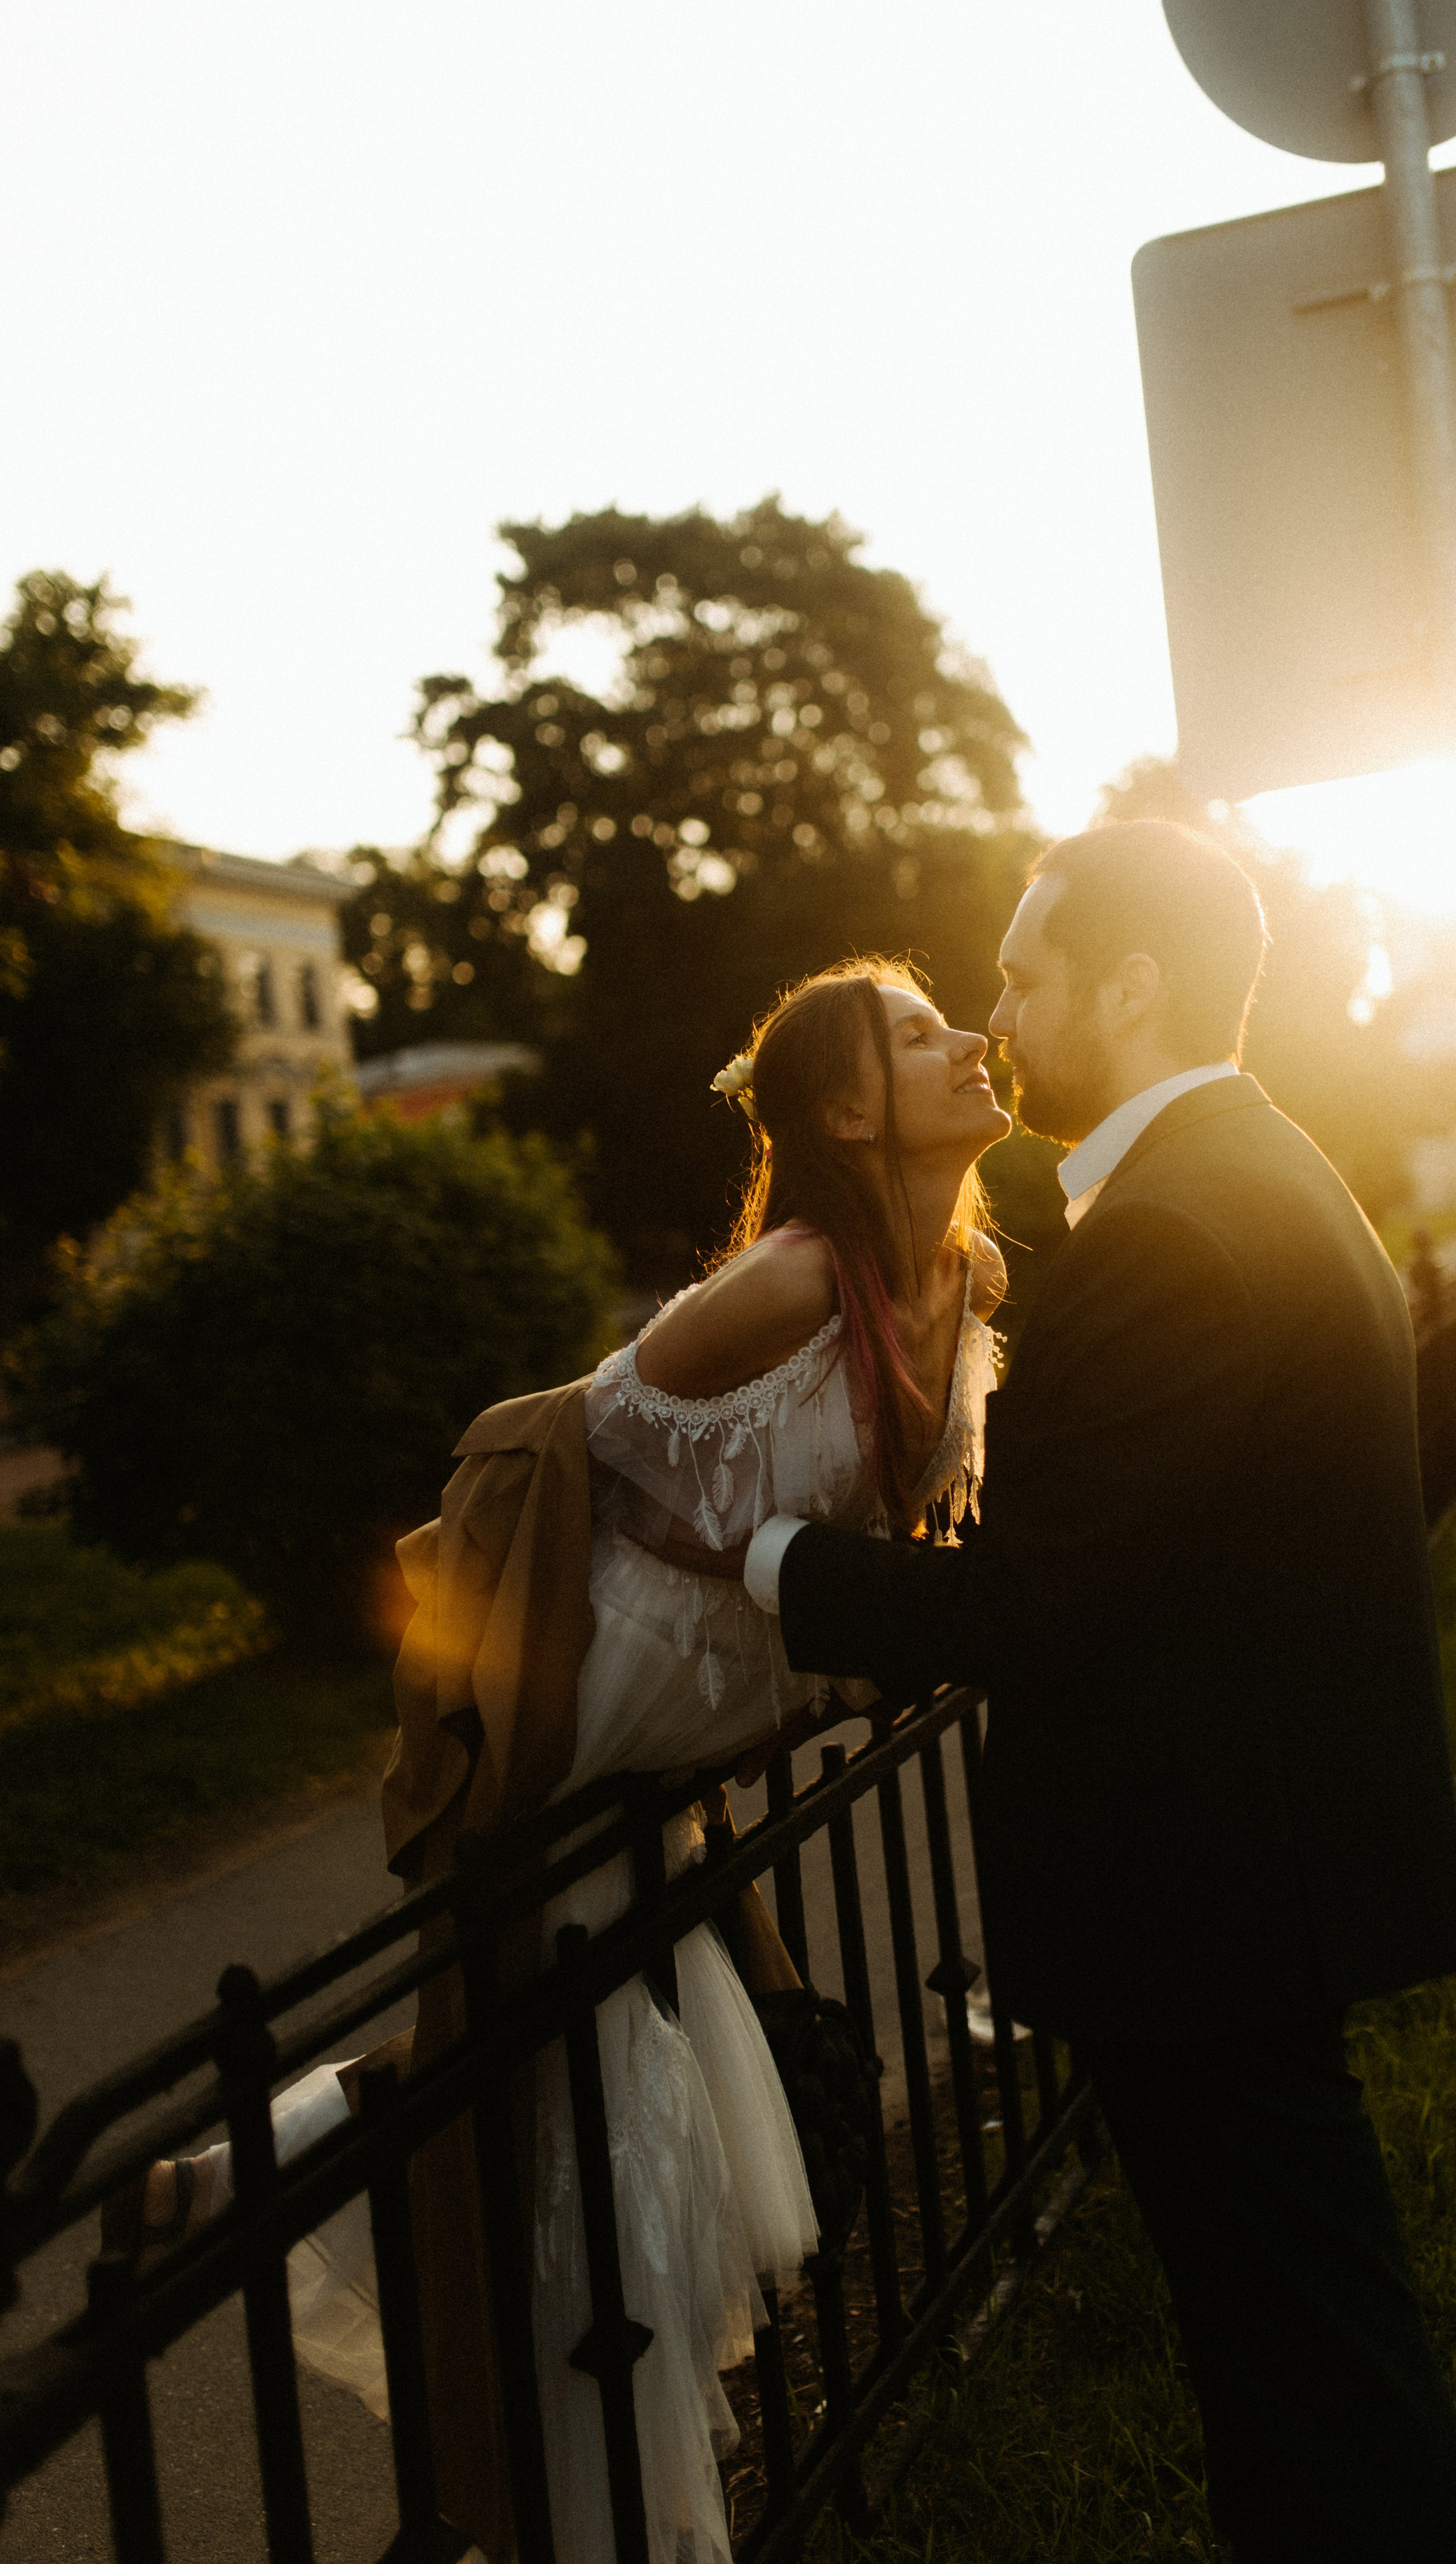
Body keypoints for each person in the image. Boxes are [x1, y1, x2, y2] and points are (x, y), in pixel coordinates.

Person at [114, 957, 1010, 2564]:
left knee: (542, 2040)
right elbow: (569, 1437)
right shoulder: (803, 1278)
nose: (970, 1043)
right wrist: (740, 1568)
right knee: (538, 2054)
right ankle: (549, 2480)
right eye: (919, 1034)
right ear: (849, 1107)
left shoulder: (967, 1275)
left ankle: (247, 2210)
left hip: (696, 1728)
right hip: (600, 1691)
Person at [742, 823, 1456, 2563]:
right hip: (1249, 1871)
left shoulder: (1177, 1225)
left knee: (1315, 2361)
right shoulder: (1247, 1167)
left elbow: (1035, 1594)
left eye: (1022, 977)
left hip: (1214, 1890)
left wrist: (775, 1562)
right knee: (1283, 2351)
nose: (995, 1015)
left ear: (1132, 985)